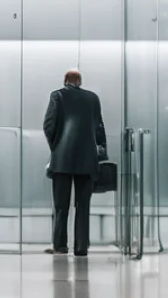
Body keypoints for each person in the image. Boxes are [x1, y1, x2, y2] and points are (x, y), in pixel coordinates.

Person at [43, 69, 106, 257]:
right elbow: (99, 127)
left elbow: (48, 125)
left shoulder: (57, 96)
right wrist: (101, 151)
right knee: (83, 205)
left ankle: (60, 245)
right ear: (80, 81)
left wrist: (56, 146)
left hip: (62, 159)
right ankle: (81, 247)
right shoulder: (93, 98)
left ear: (65, 81)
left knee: (61, 206)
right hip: (87, 159)